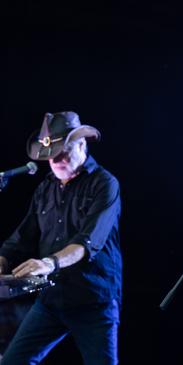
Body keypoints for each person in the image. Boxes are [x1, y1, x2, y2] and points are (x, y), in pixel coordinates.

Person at [0, 111, 122, 364]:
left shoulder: (104, 183)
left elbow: (88, 242)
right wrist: (3, 258)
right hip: (51, 301)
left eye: (62, 153)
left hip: (93, 301)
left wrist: (49, 263)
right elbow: (23, 237)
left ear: (81, 144)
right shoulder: (46, 188)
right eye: (51, 157)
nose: (56, 161)